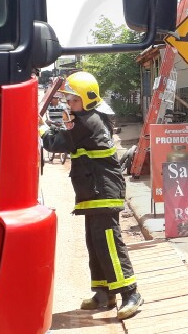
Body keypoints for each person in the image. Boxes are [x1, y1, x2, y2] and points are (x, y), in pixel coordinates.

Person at [41, 71, 144, 319]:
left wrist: (39, 128)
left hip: (102, 190)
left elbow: (55, 143)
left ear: (87, 99)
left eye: (73, 100)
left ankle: (130, 293)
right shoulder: (92, 117)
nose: (69, 105)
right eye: (68, 100)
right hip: (94, 190)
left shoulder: (86, 122)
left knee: (108, 243)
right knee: (95, 242)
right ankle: (103, 292)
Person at [45, 93, 68, 163]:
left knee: (66, 133)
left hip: (61, 123)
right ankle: (50, 146)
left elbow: (66, 113)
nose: (56, 100)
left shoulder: (62, 106)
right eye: (54, 98)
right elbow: (47, 115)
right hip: (52, 123)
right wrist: (51, 121)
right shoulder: (48, 106)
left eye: (57, 98)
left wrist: (68, 120)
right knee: (50, 133)